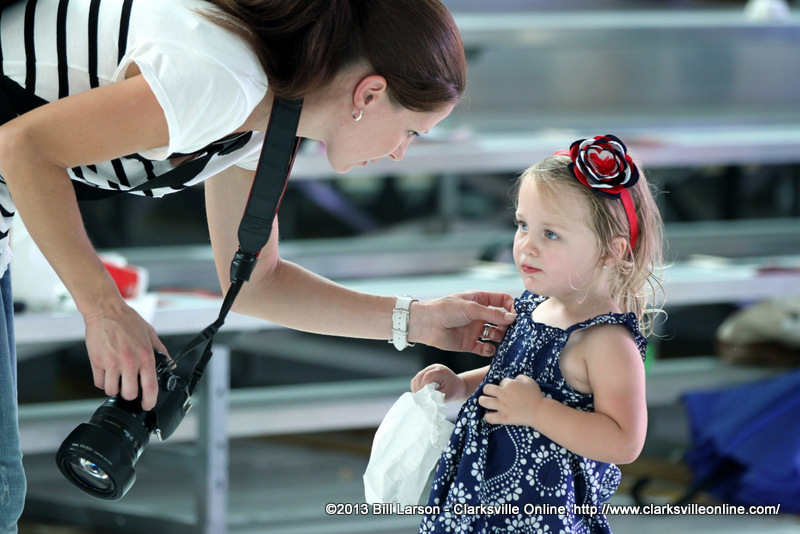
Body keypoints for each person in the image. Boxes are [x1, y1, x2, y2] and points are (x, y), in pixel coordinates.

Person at [0, 0, 517, 530]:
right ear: (369, 94)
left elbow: (258, 283)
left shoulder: (270, 117)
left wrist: (420, 320)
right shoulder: (225, 80)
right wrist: (104, 310)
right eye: (412, 131)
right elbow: (22, 145)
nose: (401, 153)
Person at [412, 134, 665, 533]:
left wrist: (538, 412)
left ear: (610, 251)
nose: (527, 246)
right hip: (483, 494)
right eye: (523, 225)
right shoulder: (536, 306)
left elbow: (625, 441)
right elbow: (518, 377)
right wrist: (461, 385)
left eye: (551, 234)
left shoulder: (606, 341)